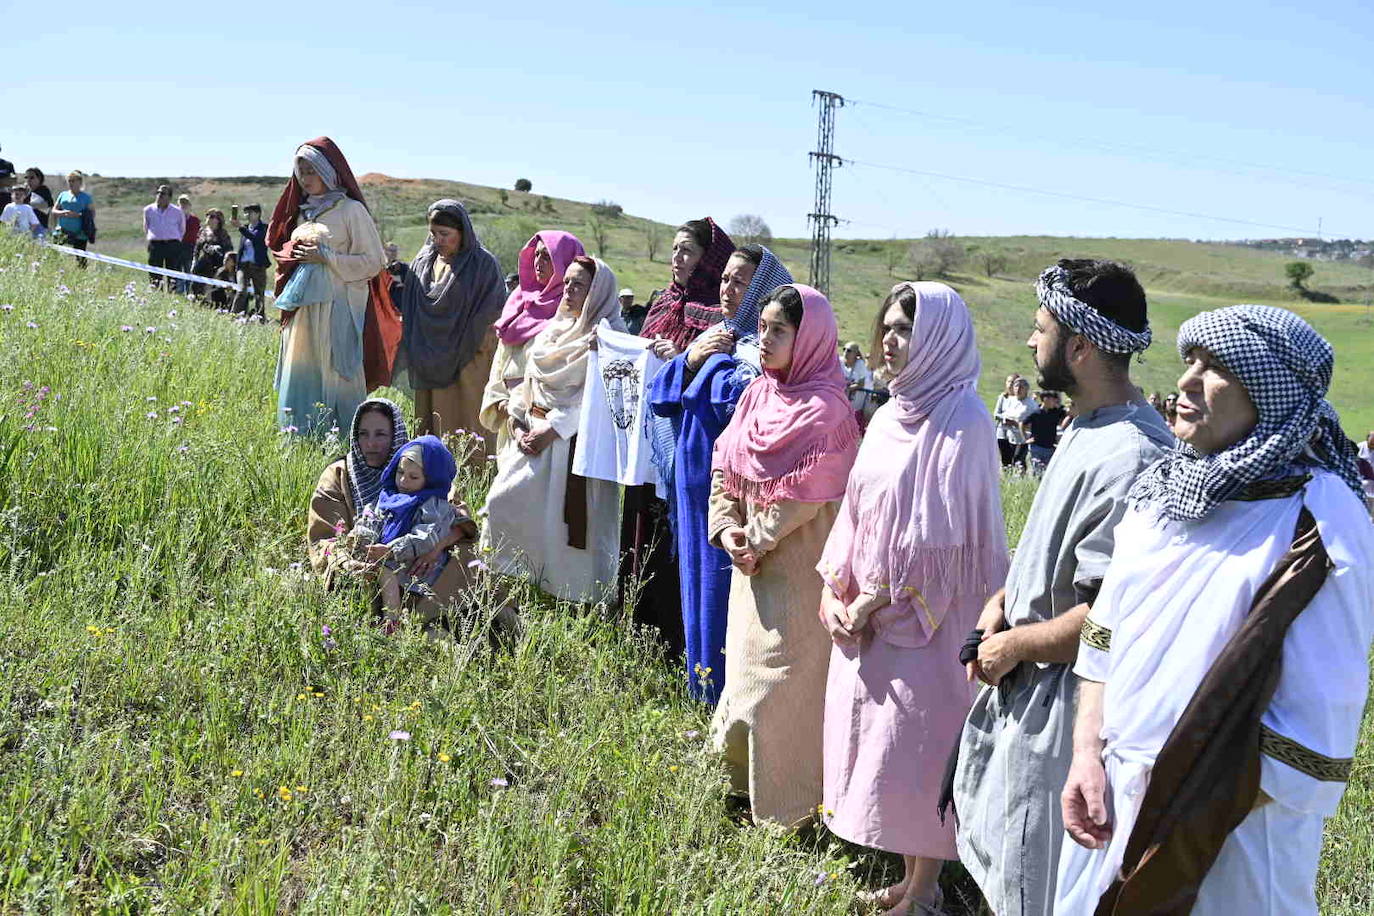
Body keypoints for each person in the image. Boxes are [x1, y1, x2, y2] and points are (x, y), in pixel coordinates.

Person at [1056, 305, 1373, 915]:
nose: (1185, 382)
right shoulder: (1161, 494)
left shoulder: (1321, 523)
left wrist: (1179, 813)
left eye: (1218, 367)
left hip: (1229, 832)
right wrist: (1085, 756)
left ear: (1270, 393)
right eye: (1189, 362)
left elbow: (1313, 719)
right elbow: (1103, 638)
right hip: (1111, 797)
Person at [949, 260, 1174, 916]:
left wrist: (1017, 643)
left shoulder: (1132, 455)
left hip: (1066, 716)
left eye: (1039, 328)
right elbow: (1054, 558)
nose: (1029, 342)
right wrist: (1000, 605)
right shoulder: (1086, 427)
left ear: (1079, 346)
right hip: (1028, 700)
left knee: (1036, 891)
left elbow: (1110, 614)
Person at [817, 282, 1008, 915]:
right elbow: (856, 508)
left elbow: (947, 543)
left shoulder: (966, 420)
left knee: (921, 745)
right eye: (889, 327)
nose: (891, 340)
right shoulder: (893, 412)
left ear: (939, 340)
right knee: (887, 746)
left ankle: (926, 892)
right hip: (874, 612)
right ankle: (907, 878)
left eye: (907, 329)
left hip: (935, 616)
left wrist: (876, 598)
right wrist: (837, 584)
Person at [708, 283, 860, 827]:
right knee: (744, 681)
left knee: (782, 693)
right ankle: (735, 790)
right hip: (750, 574)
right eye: (764, 327)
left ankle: (789, 813)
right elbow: (725, 466)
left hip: (799, 577)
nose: (766, 339)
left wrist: (758, 537)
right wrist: (727, 529)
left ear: (810, 338)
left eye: (780, 330)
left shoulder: (828, 411)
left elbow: (806, 495)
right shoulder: (757, 396)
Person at [648, 243, 793, 704]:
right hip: (693, 490)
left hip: (732, 498)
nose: (727, 289)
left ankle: (722, 697)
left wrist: (712, 367)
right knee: (694, 588)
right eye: (725, 278)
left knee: (721, 593)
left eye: (740, 281)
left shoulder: (772, 357)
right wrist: (692, 358)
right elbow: (661, 393)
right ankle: (699, 688)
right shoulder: (721, 337)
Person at [480, 256, 624, 606]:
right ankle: (508, 597)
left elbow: (602, 399)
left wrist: (555, 429)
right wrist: (516, 418)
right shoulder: (553, 331)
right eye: (568, 282)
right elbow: (530, 383)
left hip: (570, 449)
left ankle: (567, 604)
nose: (570, 290)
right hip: (530, 437)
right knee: (501, 505)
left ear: (598, 292)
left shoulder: (610, 338)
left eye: (580, 284)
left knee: (564, 535)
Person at [625, 217, 736, 653]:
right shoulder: (661, 304)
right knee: (642, 534)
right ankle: (638, 629)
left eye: (687, 251)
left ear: (709, 262)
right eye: (674, 250)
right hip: (646, 445)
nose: (677, 259)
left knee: (675, 543)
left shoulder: (720, 322)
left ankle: (676, 641)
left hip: (687, 452)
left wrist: (684, 359)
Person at [307, 399, 476, 633]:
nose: (371, 444)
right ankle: (395, 624)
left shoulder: (419, 464)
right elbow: (324, 535)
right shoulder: (339, 474)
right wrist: (349, 560)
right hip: (367, 566)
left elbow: (456, 514)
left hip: (419, 565)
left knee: (468, 557)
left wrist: (435, 547)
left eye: (381, 434)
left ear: (395, 435)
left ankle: (457, 623)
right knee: (358, 583)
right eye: (363, 434)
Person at [269, 137, 396, 436]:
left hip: (338, 306)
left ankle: (342, 438)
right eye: (301, 172)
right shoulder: (302, 212)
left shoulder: (351, 211)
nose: (306, 179)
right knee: (301, 369)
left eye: (311, 171)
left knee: (337, 371)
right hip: (304, 311)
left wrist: (327, 257)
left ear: (328, 171)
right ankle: (299, 436)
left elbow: (374, 260)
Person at [394, 199, 506, 442]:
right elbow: (412, 307)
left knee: (466, 426)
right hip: (428, 359)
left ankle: (473, 478)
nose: (438, 240)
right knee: (430, 422)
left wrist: (478, 347)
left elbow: (493, 312)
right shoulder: (423, 262)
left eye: (445, 234)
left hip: (468, 359)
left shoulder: (482, 265)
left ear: (462, 233)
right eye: (433, 233)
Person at [481, 231, 586, 455]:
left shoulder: (573, 311)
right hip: (510, 415)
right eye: (537, 255)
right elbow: (501, 358)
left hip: (547, 422)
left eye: (548, 256)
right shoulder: (519, 302)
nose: (539, 262)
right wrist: (500, 398)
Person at [347, 436, 460, 629]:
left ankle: (392, 620)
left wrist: (391, 551)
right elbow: (372, 517)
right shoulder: (389, 497)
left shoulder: (432, 505)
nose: (403, 481)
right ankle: (363, 615)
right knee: (364, 569)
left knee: (386, 569)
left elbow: (425, 536)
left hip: (414, 562)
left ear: (431, 479)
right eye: (400, 472)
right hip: (383, 553)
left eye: (413, 477)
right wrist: (363, 538)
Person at [143, 185, 186, 290]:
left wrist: (174, 240)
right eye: (158, 193)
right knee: (155, 274)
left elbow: (182, 229)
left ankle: (173, 296)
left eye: (162, 194)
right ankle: (157, 295)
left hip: (172, 245)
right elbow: (146, 227)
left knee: (173, 274)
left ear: (169, 197)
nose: (159, 196)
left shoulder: (177, 211)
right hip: (155, 245)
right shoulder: (148, 210)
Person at [233, 204, 270, 316]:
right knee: (241, 290)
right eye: (246, 213)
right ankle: (235, 314)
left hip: (258, 265)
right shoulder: (245, 228)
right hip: (244, 265)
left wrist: (240, 227)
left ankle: (259, 316)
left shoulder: (264, 228)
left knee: (259, 293)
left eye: (250, 212)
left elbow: (256, 238)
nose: (247, 215)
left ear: (258, 214)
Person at [52, 171, 94, 266]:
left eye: (73, 181)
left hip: (80, 232)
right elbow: (54, 210)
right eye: (69, 181)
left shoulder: (86, 197)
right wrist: (63, 213)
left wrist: (79, 215)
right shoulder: (63, 195)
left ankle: (82, 275)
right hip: (62, 230)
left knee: (80, 259)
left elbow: (92, 213)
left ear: (79, 182)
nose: (71, 183)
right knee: (53, 252)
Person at [191, 208, 233, 298]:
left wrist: (218, 249)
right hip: (203, 263)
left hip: (217, 264)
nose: (209, 218)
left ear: (218, 220)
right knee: (197, 286)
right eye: (207, 215)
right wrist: (194, 261)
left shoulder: (223, 233)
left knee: (215, 289)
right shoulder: (202, 231)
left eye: (212, 216)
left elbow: (229, 250)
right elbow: (197, 248)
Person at [1024, 389, 1067, 474]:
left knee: (1048, 472)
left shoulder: (1056, 412)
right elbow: (1022, 424)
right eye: (1052, 399)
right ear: (1045, 399)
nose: (1055, 401)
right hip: (1037, 446)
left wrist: (1057, 405)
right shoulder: (1036, 413)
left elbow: (1068, 413)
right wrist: (1025, 438)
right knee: (1037, 472)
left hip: (1050, 447)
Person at [992, 374, 1023, 467]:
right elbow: (996, 414)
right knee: (1005, 459)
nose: (1010, 384)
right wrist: (1005, 418)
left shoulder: (1021, 399)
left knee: (1017, 459)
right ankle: (1006, 476)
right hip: (1002, 432)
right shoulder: (1003, 397)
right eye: (1008, 381)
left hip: (1015, 434)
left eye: (1013, 382)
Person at [176, 195, 200, 294]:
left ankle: (189, 292)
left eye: (185, 204)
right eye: (181, 204)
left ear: (189, 205)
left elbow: (195, 234)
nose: (183, 206)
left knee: (189, 270)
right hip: (177, 247)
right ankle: (179, 292)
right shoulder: (175, 219)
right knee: (177, 272)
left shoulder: (194, 220)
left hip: (190, 247)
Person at [23, 169, 52, 235]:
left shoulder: (43, 190)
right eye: (26, 177)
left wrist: (30, 205)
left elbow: (48, 205)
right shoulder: (28, 192)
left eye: (32, 177)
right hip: (27, 226)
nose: (28, 180)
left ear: (39, 178)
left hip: (40, 226)